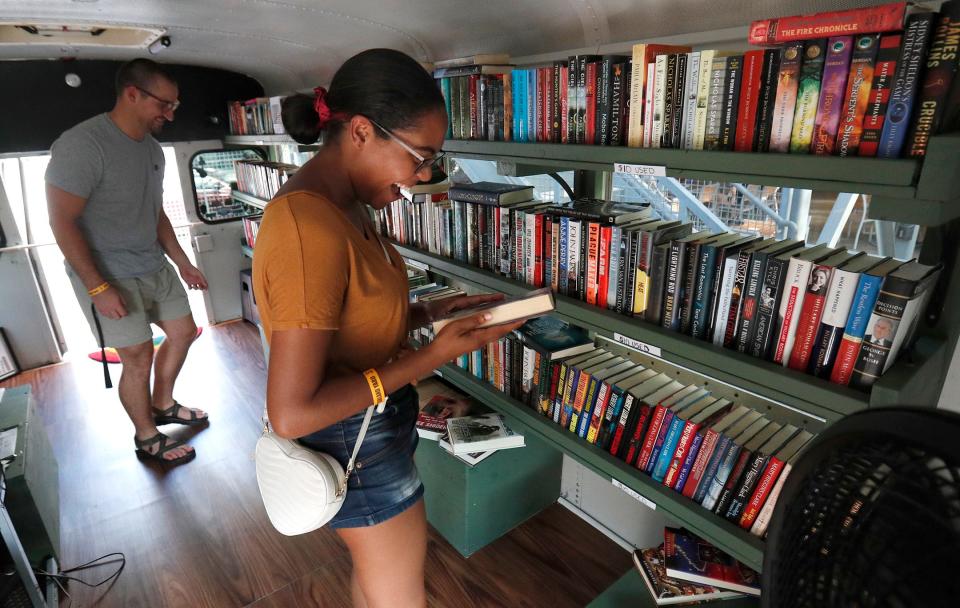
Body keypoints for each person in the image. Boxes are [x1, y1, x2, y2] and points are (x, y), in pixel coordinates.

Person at [252, 48, 522, 608]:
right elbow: (292, 412)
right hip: (353, 440)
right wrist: (431, 358)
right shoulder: (309, 226)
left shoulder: (346, 203)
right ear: (359, 132)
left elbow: (348, 318)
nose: (423, 176)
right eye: (419, 156)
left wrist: (429, 313)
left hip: (372, 427)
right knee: (399, 596)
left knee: (378, 580)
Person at [46, 59, 209, 466]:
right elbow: (61, 221)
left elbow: (155, 212)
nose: (170, 114)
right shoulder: (83, 145)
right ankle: (147, 435)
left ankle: (164, 403)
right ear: (132, 94)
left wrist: (183, 262)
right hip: (108, 274)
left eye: (175, 105)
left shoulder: (154, 151)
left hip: (153, 264)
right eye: (165, 105)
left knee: (184, 332)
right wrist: (98, 288)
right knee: (137, 355)